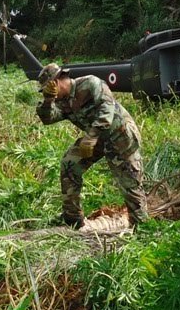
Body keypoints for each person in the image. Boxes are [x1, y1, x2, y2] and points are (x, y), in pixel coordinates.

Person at [36, 63, 148, 230]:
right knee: (70, 163)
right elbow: (48, 119)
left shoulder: (90, 83)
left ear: (56, 83)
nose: (49, 92)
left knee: (129, 183)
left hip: (121, 135)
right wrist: (48, 100)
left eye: (48, 88)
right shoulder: (62, 101)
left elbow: (107, 109)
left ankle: (143, 226)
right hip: (97, 139)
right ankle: (72, 218)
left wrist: (91, 136)